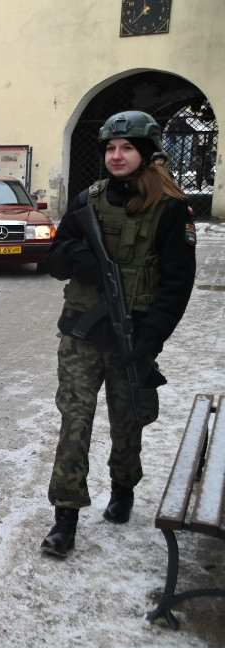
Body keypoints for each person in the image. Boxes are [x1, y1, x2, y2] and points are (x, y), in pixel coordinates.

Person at [40, 110, 195, 557]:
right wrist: (80, 260)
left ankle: (123, 485)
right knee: (75, 422)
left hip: (134, 338)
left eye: (127, 147)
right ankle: (64, 518)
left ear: (147, 154)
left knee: (129, 422)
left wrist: (150, 340)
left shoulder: (170, 209)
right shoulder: (88, 200)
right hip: (82, 334)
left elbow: (176, 284)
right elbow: (55, 257)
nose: (116, 155)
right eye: (110, 147)